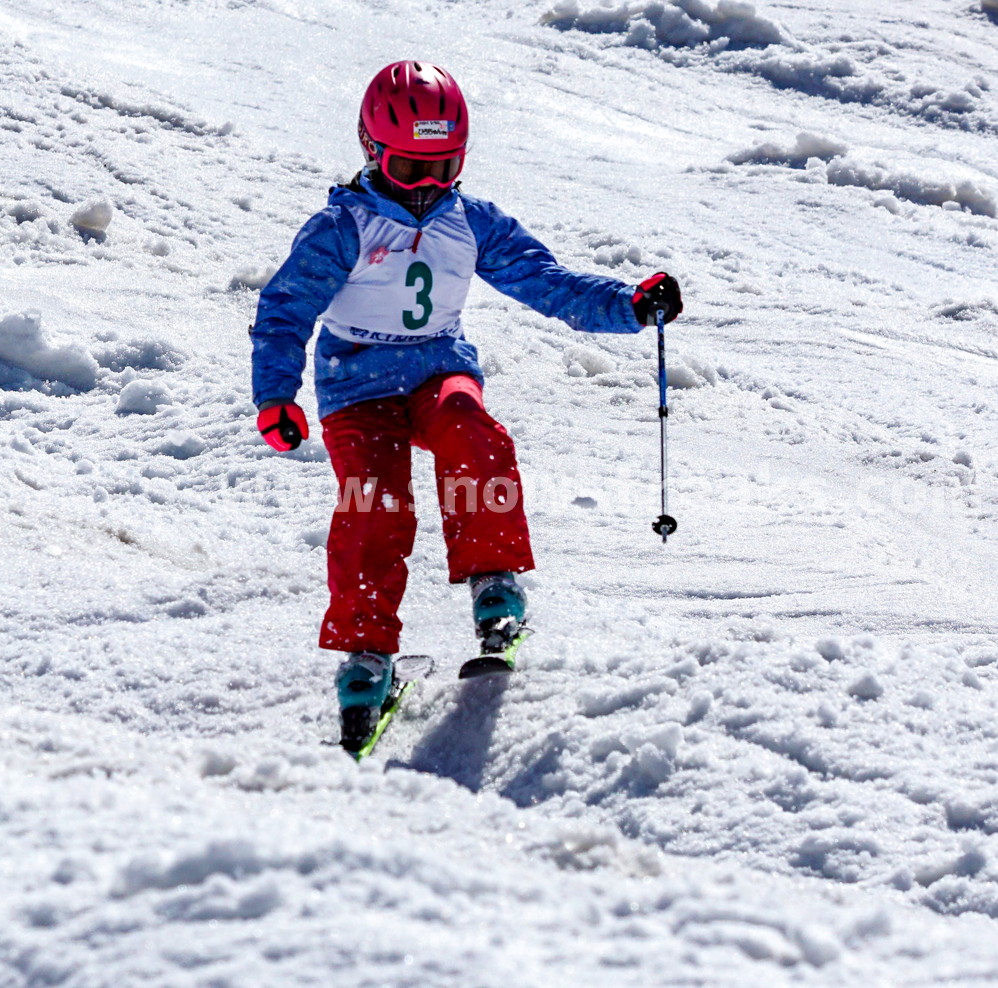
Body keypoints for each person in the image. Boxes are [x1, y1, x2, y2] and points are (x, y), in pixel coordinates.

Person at [249, 60, 682, 748]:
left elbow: (546, 281)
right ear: (370, 150)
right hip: (355, 384)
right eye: (409, 170)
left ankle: (495, 585)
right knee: (372, 501)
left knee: (470, 430)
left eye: (443, 169)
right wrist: (276, 393)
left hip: (435, 370)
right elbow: (284, 309)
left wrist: (628, 305)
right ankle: (366, 657)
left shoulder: (470, 221)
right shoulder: (342, 227)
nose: (427, 189)